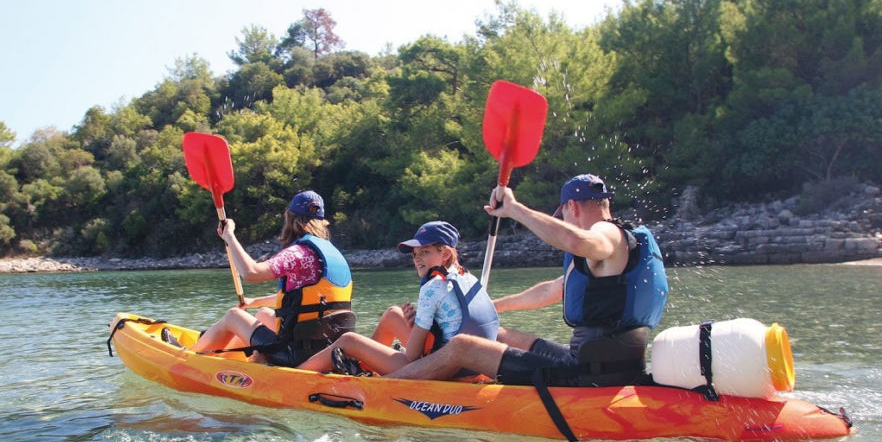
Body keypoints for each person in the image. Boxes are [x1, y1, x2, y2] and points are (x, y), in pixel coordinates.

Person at [385, 174, 668, 387]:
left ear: (572, 206)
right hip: (607, 363)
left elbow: (573, 239)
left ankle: (385, 386)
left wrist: (514, 209)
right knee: (498, 334)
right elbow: (549, 290)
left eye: (564, 214)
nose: (565, 220)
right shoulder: (615, 254)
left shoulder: (606, 234)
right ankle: (452, 376)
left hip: (586, 373)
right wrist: (492, 305)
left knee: (462, 345)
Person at [296, 221, 499, 376]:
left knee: (349, 341)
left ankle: (296, 375)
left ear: (445, 253)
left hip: (440, 368)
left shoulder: (433, 287)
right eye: (415, 254)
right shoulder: (466, 277)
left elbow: (411, 355)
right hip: (467, 363)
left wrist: (418, 329)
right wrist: (420, 324)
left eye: (425, 252)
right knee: (394, 314)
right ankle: (366, 367)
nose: (417, 259)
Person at [187, 190, 355, 366]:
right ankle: (232, 361)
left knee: (233, 316)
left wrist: (230, 236)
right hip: (328, 351)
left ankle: (188, 359)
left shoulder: (297, 253)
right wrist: (255, 302)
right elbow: (305, 303)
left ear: (289, 218)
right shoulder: (334, 255)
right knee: (264, 314)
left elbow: (251, 273)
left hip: (294, 354)